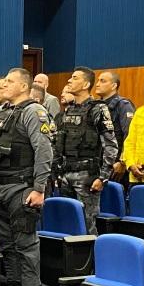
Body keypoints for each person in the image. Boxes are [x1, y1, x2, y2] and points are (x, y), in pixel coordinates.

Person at [0, 68, 53, 286]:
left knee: (26, 245)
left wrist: (39, 189)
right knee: (7, 245)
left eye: (10, 81)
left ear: (23, 86)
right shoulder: (2, 113)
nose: (4, 84)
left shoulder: (34, 112)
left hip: (22, 187)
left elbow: (43, 151)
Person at [55, 67, 118, 235]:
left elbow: (110, 145)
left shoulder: (97, 109)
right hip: (66, 174)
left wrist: (103, 177)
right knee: (68, 223)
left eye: (74, 78)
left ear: (86, 84)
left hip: (87, 176)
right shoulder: (69, 109)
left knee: (87, 224)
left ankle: (92, 261)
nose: (69, 81)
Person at [95, 71, 135, 185]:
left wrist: (122, 162)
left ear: (114, 86)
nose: (97, 84)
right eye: (98, 81)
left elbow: (129, 135)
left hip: (115, 165)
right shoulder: (97, 106)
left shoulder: (123, 105)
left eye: (103, 81)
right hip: (100, 163)